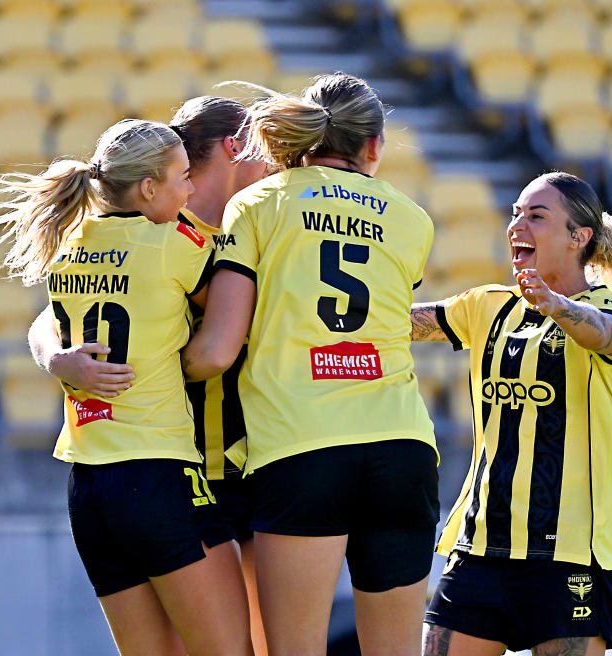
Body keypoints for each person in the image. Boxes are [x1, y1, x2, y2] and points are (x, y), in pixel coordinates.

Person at [180, 73, 439, 656]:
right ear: (373, 145)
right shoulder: (411, 218)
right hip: (402, 447)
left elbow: (218, 350)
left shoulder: (257, 203)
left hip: (303, 448)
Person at [0, 118, 253, 656]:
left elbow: (47, 323)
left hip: (89, 487)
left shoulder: (69, 242)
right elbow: (238, 309)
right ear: (149, 188)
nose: (191, 189)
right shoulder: (174, 243)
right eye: (182, 177)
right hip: (160, 473)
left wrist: (56, 360)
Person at [410, 171, 612, 655]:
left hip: (569, 556)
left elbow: (605, 335)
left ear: (578, 237)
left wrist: (555, 304)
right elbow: (399, 323)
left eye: (536, 216)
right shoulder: (489, 305)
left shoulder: (608, 310)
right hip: (480, 547)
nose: (517, 225)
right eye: (516, 214)